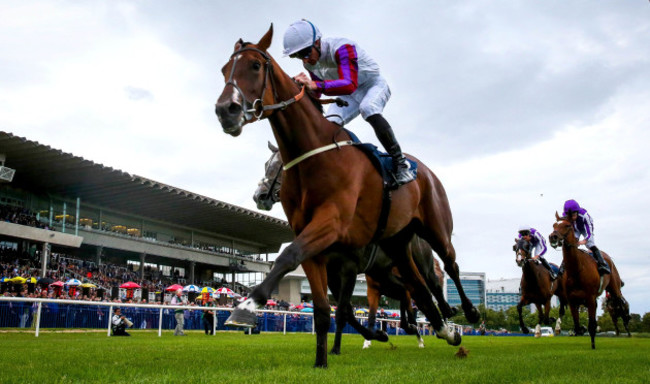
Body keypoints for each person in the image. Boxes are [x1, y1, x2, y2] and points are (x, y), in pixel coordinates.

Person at [283, 19, 414, 189]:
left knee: (368, 108)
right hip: (347, 94)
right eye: (298, 55)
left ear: (317, 42)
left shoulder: (343, 47)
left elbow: (349, 83)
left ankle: (401, 163)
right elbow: (317, 92)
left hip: (372, 85)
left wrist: (314, 85)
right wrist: (301, 88)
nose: (304, 59)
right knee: (327, 125)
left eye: (305, 52)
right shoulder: (309, 62)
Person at [562, 199, 610, 276]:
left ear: (577, 212)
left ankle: (602, 264)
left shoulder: (584, 216)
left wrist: (585, 240)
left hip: (585, 228)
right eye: (570, 216)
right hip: (575, 228)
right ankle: (563, 265)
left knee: (590, 244)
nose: (572, 217)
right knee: (570, 245)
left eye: (574, 215)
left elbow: (589, 231)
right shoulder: (565, 216)